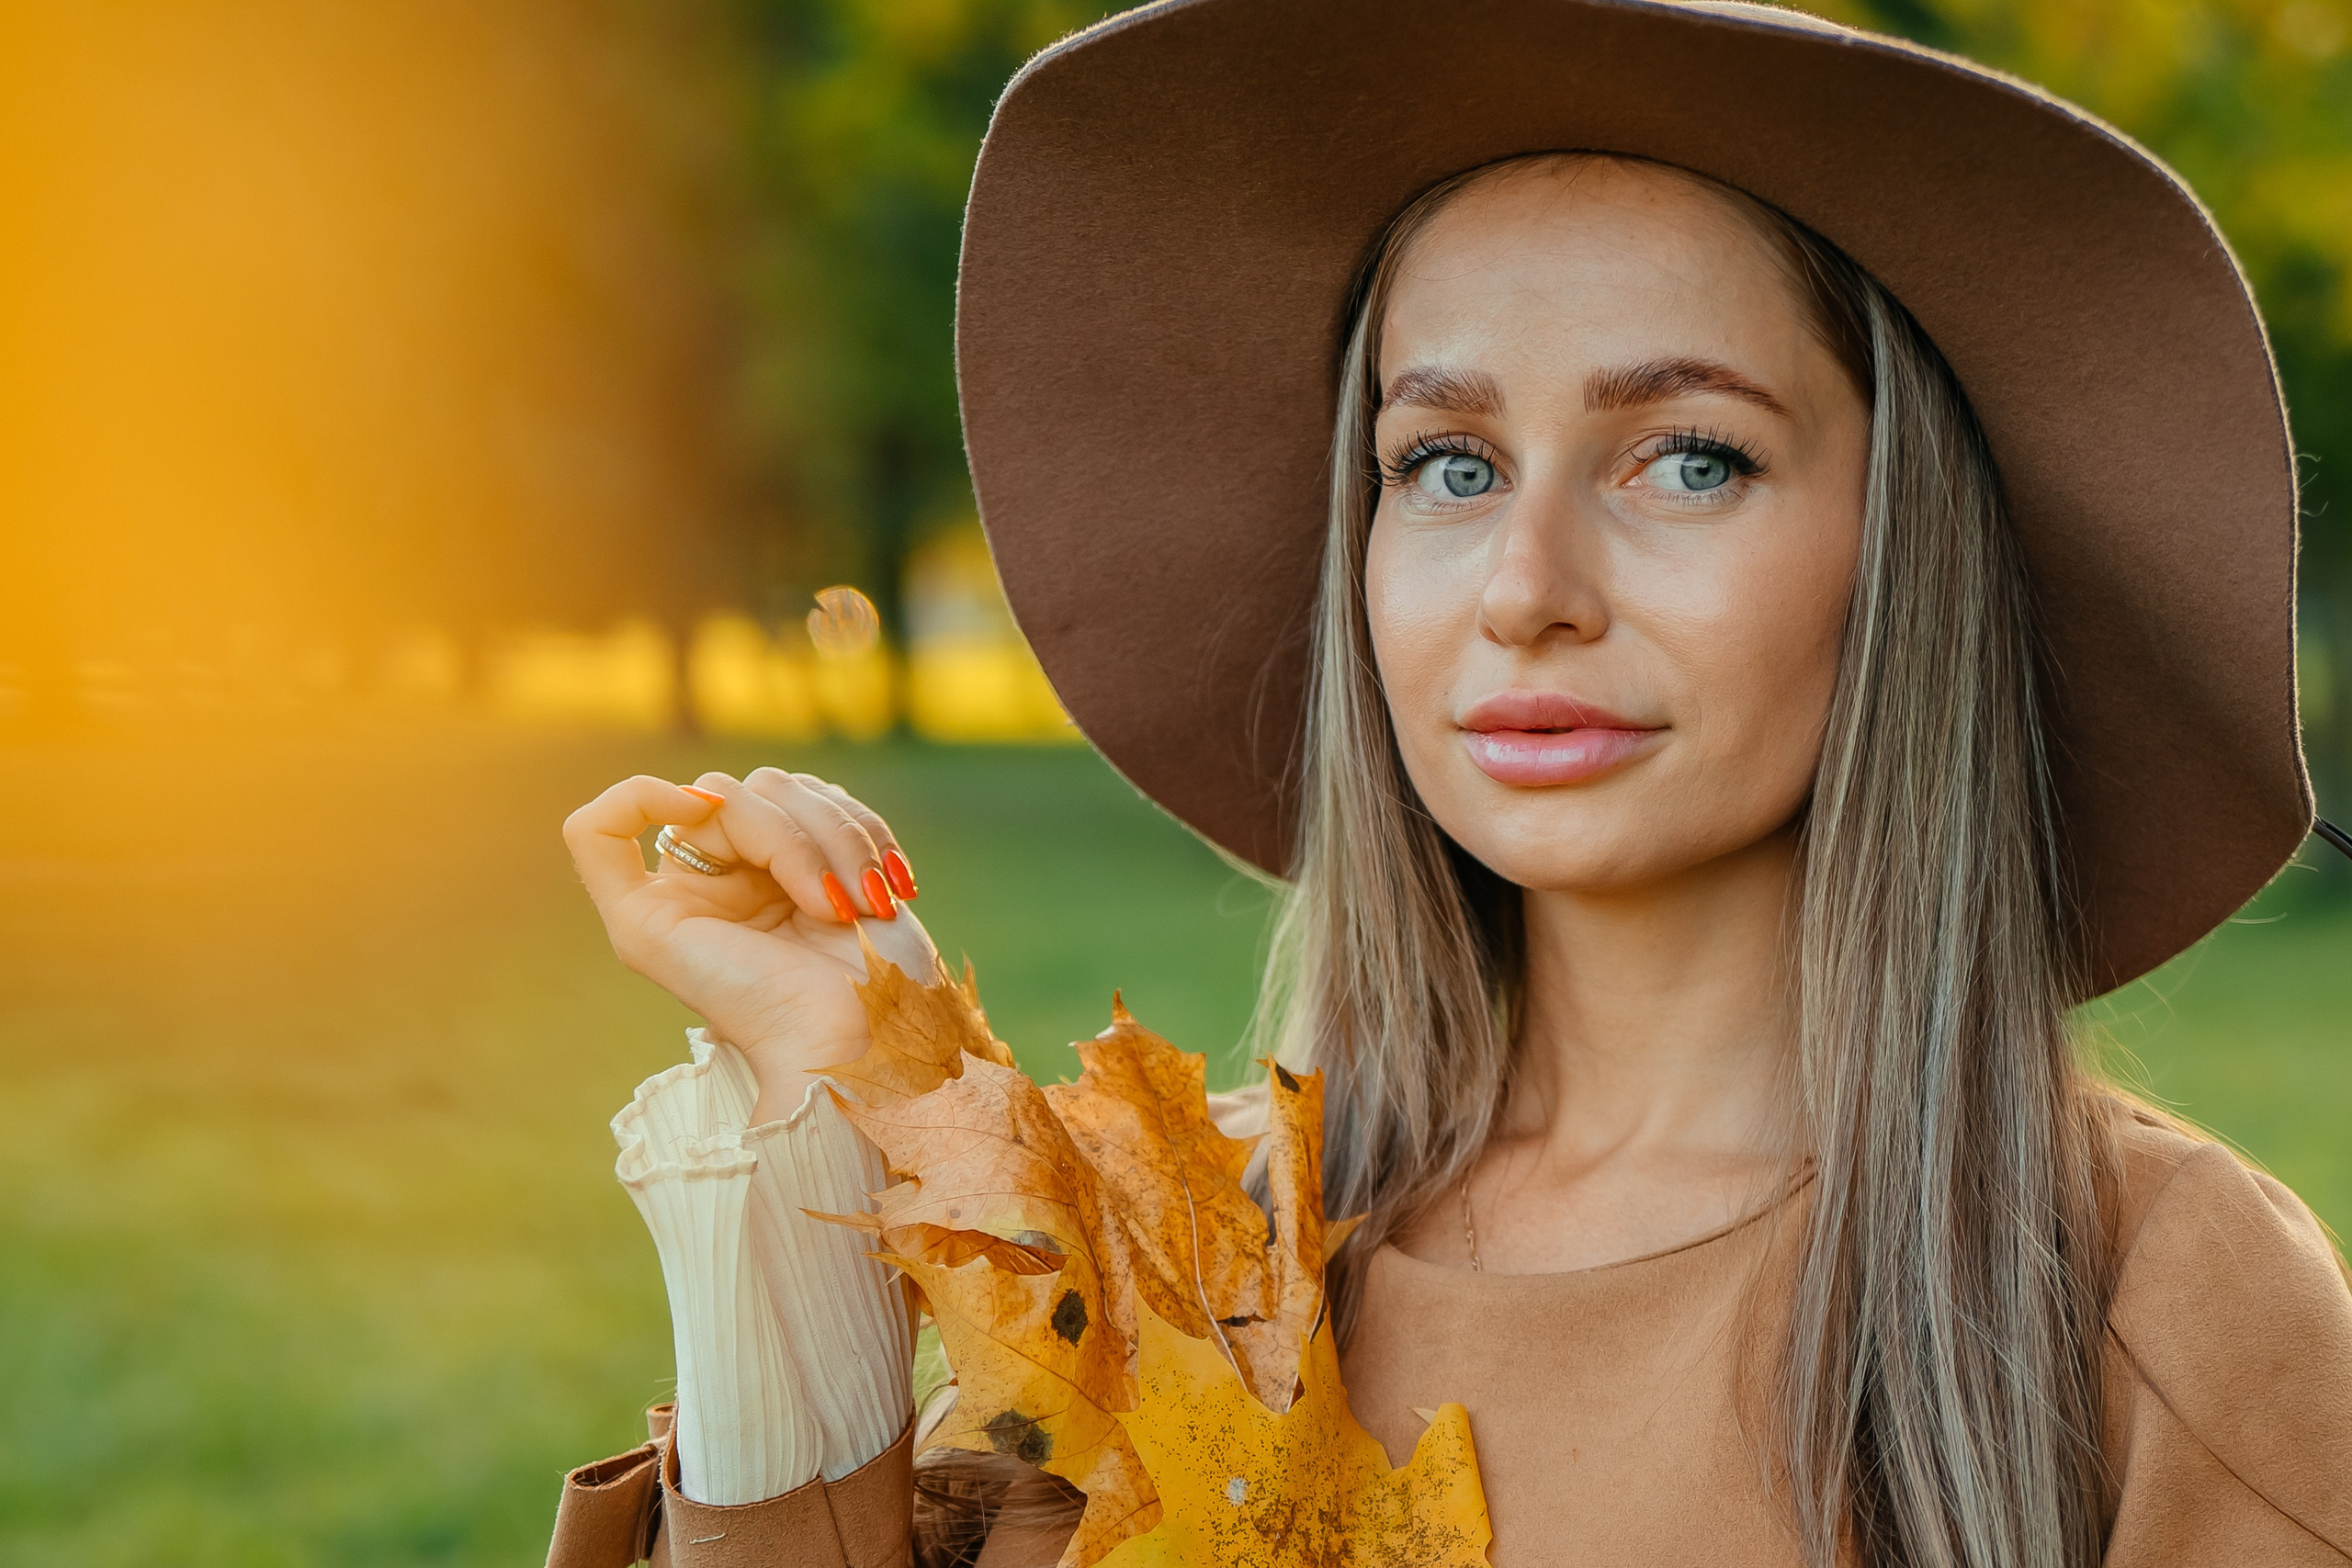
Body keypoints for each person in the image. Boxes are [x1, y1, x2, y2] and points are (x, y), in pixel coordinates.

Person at [546, 3, 2352, 1565]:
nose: (1525, 588)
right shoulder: (1184, 1254)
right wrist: (813, 1133)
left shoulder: (2157, 1299)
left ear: (1907, 551)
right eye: (1448, 465)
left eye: (1690, 457)